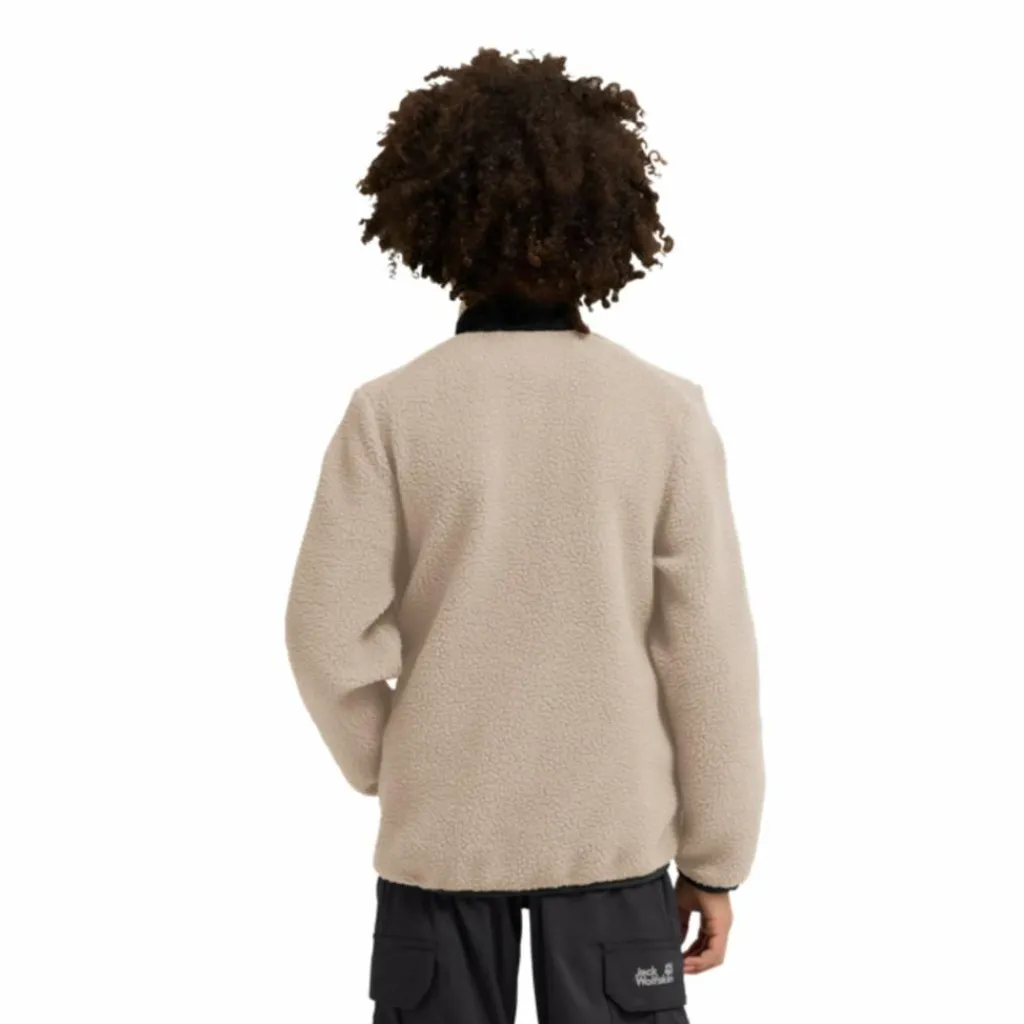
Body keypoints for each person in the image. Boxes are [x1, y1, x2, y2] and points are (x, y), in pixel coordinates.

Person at [285, 48, 763, 1024]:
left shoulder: (390, 414)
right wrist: (717, 860)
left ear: (436, 221)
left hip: (440, 847)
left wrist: (396, 760)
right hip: (614, 846)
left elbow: (323, 635)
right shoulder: (663, 414)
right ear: (607, 221)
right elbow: (707, 655)